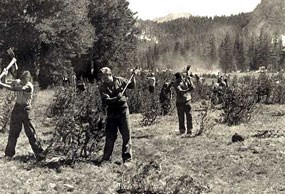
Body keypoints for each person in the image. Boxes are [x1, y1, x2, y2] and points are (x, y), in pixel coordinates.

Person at [0, 70, 45, 161]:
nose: (22, 80)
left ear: (28, 78)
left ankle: (39, 153)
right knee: (13, 132)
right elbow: (7, 83)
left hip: (25, 110)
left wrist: (1, 83)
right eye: (22, 79)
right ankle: (9, 153)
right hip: (17, 109)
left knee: (30, 133)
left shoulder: (28, 86)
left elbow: (15, 89)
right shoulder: (20, 82)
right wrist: (4, 74)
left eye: (24, 79)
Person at [97, 67, 136, 164]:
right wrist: (116, 98)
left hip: (123, 111)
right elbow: (106, 100)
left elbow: (132, 85)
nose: (104, 79)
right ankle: (106, 159)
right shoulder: (102, 86)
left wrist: (134, 76)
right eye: (102, 77)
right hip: (112, 112)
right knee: (110, 136)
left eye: (105, 77)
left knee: (126, 135)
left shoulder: (120, 80)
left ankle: (127, 159)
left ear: (110, 74)